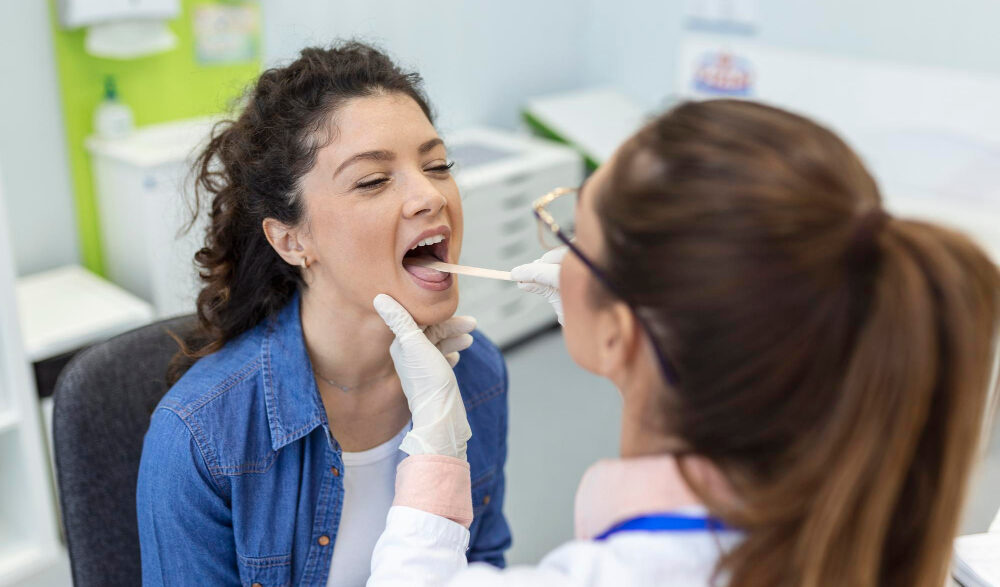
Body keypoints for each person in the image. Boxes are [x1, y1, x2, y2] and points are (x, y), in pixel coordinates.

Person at [366, 99, 1000, 586]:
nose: (427, 195)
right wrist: (631, 348)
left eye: (576, 235)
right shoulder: (866, 521)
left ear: (623, 331)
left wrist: (436, 452)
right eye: (371, 179)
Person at [136, 42, 512, 587]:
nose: (430, 195)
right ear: (291, 239)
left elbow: (484, 564)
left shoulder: (475, 377)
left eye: (437, 165)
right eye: (373, 180)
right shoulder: (200, 439)